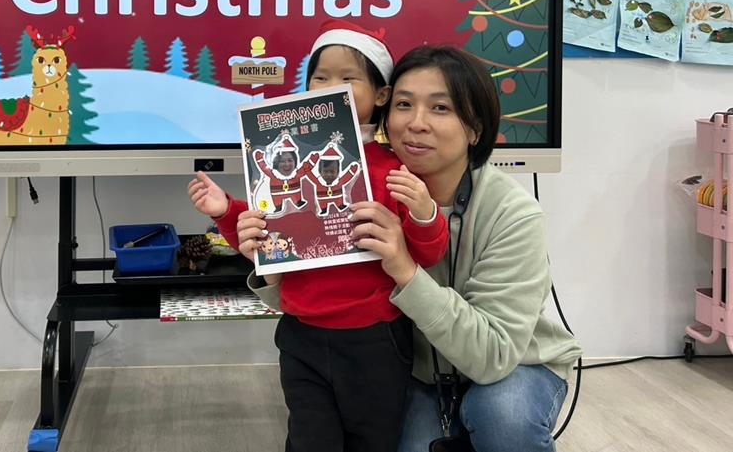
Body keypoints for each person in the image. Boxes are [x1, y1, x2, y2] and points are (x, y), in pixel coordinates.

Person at [243, 46, 582, 452]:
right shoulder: (356, 192)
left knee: (501, 415)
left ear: (475, 128)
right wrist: (272, 259)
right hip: (418, 370)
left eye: (441, 108)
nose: (416, 123)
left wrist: (404, 267)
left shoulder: (512, 213)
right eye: (404, 104)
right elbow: (324, 302)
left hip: (512, 362)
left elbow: (492, 356)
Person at [188, 21, 449, 452]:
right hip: (301, 334)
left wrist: (424, 213)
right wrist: (227, 213)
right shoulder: (287, 157)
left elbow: (430, 253)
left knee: (375, 440)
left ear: (381, 94)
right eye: (320, 77)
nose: (330, 88)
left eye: (348, 78)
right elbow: (266, 241)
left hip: (375, 339)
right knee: (311, 438)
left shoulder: (393, 169)